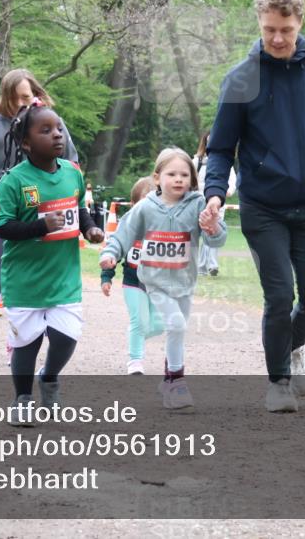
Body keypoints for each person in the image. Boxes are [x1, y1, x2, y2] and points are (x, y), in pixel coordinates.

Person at [200, 0, 305, 413]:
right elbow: (220, 148)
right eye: (270, 28)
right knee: (279, 297)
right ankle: (278, 382)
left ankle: (292, 349)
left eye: (285, 29)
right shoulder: (240, 78)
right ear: (259, 24)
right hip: (263, 206)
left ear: (300, 24)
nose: (277, 38)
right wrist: (215, 193)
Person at [0, 103, 103, 426]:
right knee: (27, 343)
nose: (56, 135)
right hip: (24, 280)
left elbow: (79, 207)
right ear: (25, 143)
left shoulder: (72, 172)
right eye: (45, 130)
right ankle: (22, 398)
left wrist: (91, 228)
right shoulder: (13, 181)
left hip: (63, 277)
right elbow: (1, 227)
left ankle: (49, 377)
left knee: (66, 337)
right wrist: (41, 226)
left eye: (58, 128)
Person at [101, 148, 225, 409]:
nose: (178, 179)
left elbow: (218, 238)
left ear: (192, 179)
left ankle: (169, 380)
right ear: (157, 178)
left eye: (184, 174)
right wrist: (111, 253)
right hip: (154, 281)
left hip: (184, 281)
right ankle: (177, 383)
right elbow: (123, 232)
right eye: (172, 174)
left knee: (175, 330)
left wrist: (212, 227)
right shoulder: (146, 207)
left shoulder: (198, 205)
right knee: (177, 325)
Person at [0, 68, 80, 297]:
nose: (20, 103)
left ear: (36, 95)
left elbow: (71, 161)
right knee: (7, 273)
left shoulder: (53, 123)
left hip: (48, 207)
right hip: (6, 209)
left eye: (26, 97)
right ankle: (21, 318)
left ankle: (54, 313)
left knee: (51, 268)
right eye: (13, 98)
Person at [100, 176, 164, 375]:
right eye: (143, 202)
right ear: (134, 204)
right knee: (139, 321)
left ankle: (135, 336)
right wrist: (106, 276)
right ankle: (135, 361)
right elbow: (114, 251)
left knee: (159, 324)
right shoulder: (129, 226)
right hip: (133, 282)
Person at [193, 131, 236, 277]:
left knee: (214, 233)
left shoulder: (226, 164)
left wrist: (224, 193)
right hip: (198, 204)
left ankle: (212, 265)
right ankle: (200, 266)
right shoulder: (197, 161)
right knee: (198, 235)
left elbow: (232, 183)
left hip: (218, 204)